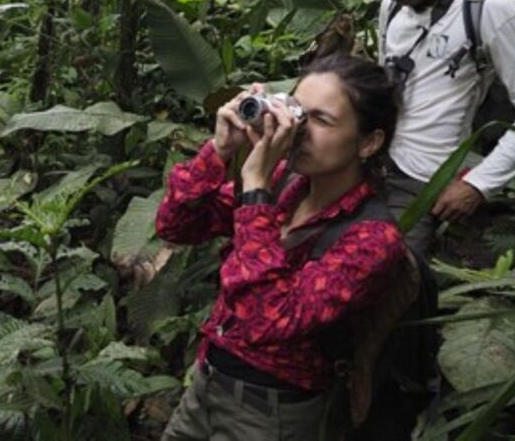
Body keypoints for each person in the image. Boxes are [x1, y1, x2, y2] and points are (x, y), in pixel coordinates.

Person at [156, 55, 409, 441]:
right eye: (297, 113)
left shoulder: (372, 237)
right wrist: (220, 150)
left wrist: (256, 190)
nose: (299, 130)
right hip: (207, 383)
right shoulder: (286, 183)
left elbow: (270, 320)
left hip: (268, 414)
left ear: (369, 142)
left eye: (322, 121)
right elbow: (176, 224)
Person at [369, 0, 515, 255]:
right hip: (375, 161)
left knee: (390, 274)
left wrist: (478, 185)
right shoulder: (393, 5)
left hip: (425, 179)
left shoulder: (492, 5)